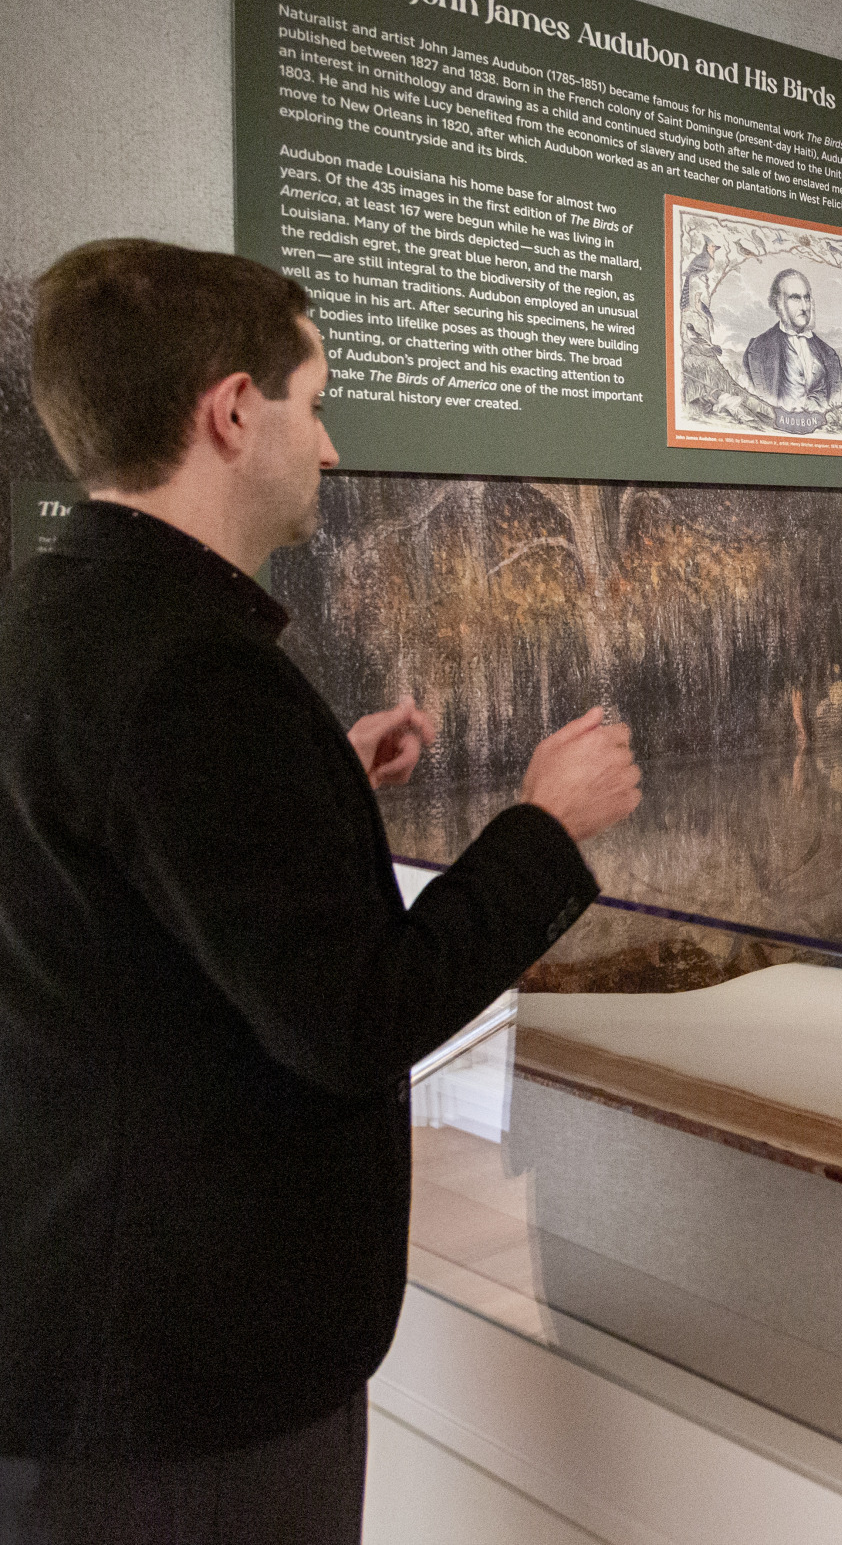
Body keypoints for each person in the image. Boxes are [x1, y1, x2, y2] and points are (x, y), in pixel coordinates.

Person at [0, 239, 642, 1544]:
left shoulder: (54, 615)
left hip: (85, 1340)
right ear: (233, 413)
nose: (332, 446)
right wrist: (543, 830)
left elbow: (121, 888)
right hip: (190, 1395)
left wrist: (321, 783)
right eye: (317, 399)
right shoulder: (195, 674)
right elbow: (352, 1021)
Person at [743, 267, 842, 411]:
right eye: (795, 298)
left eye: (807, 298)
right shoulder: (757, 349)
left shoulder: (829, 354)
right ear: (777, 302)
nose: (804, 306)